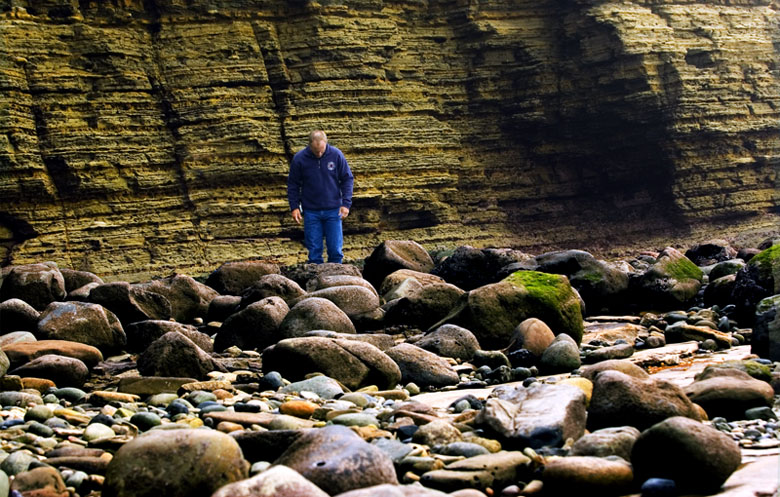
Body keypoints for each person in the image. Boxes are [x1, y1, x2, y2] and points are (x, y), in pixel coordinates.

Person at [287, 130, 354, 264]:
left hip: (334, 210)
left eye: (322, 151)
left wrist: (346, 204)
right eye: (315, 151)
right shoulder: (300, 158)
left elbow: (347, 179)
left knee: (335, 249)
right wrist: (294, 207)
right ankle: (317, 280)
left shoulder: (336, 155)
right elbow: (293, 184)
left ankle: (337, 278)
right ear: (309, 145)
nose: (319, 154)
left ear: (326, 144)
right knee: (314, 252)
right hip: (311, 211)